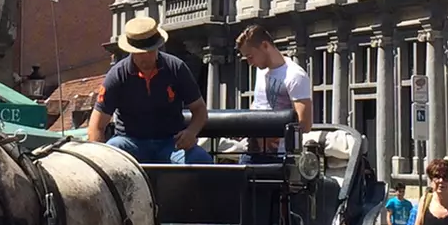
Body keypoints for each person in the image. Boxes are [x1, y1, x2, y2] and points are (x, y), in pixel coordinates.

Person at [87, 16, 209, 165]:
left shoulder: (176, 68)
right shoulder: (117, 75)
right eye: (140, 52)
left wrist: (191, 132)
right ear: (131, 51)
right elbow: (97, 125)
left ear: (158, 46)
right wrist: (100, 160)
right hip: (129, 142)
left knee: (201, 160)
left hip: (171, 143)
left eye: (150, 51)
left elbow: (200, 109)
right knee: (114, 150)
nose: (146, 57)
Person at [235, 24, 309, 163]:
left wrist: (273, 134)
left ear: (264, 45)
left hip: (279, 157)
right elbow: (258, 104)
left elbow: (305, 123)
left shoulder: (295, 75)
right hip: (252, 150)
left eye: (250, 56)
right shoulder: (261, 70)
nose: (250, 63)